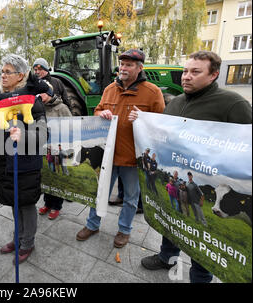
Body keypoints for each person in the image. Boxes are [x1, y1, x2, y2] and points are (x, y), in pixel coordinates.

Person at [134, 51, 252, 283]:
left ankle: (200, 276)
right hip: (177, 176)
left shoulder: (233, 104)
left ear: (214, 74)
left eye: (195, 72)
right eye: (185, 71)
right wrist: (141, 121)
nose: (186, 77)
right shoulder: (176, 102)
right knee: (171, 218)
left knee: (201, 234)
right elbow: (161, 135)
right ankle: (167, 256)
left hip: (206, 180)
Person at [75, 49, 165, 248]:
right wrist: (102, 112)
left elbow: (161, 124)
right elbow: (98, 109)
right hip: (108, 154)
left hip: (132, 158)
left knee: (131, 198)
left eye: (129, 65)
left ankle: (124, 230)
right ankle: (92, 224)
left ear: (140, 68)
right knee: (100, 193)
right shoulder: (109, 89)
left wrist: (144, 118)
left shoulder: (152, 92)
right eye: (122, 64)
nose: (123, 68)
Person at [0, 54, 49, 263]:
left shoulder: (32, 100)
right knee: (13, 202)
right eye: (1, 71)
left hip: (25, 164)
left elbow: (43, 133)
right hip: (4, 163)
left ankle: (27, 243)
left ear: (21, 76)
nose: (2, 75)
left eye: (7, 72)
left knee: (26, 205)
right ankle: (17, 238)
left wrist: (24, 135)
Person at [34, 58, 73, 220]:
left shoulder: (61, 106)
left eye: (40, 68)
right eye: (35, 69)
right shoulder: (38, 106)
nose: (37, 71)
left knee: (57, 174)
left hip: (57, 146)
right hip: (43, 147)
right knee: (47, 174)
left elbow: (70, 126)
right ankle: (47, 202)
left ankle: (57, 205)